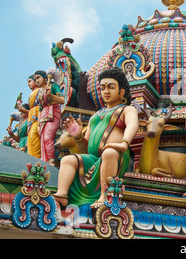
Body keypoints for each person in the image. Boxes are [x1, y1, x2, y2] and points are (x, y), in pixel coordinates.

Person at [52, 67, 138, 209]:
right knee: (68, 160)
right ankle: (62, 195)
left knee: (109, 152)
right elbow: (85, 149)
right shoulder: (95, 116)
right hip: (94, 159)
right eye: (103, 87)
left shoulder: (127, 110)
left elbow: (132, 125)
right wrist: (79, 137)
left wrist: (124, 143)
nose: (106, 91)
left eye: (111, 87)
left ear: (121, 92)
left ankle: (105, 196)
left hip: (116, 156)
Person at [34, 70, 65, 165]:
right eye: (35, 79)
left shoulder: (54, 86)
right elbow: (40, 108)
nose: (36, 81)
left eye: (38, 77)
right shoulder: (40, 92)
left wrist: (51, 96)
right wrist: (39, 124)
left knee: (48, 139)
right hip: (43, 115)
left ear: (45, 78)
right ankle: (45, 162)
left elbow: (62, 100)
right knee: (43, 140)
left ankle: (51, 162)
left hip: (53, 113)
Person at [25, 75, 41, 158]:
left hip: (38, 114)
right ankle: (32, 157)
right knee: (30, 138)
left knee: (34, 135)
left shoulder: (40, 90)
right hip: (32, 115)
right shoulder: (34, 92)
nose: (28, 84)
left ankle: (38, 158)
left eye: (30, 81)